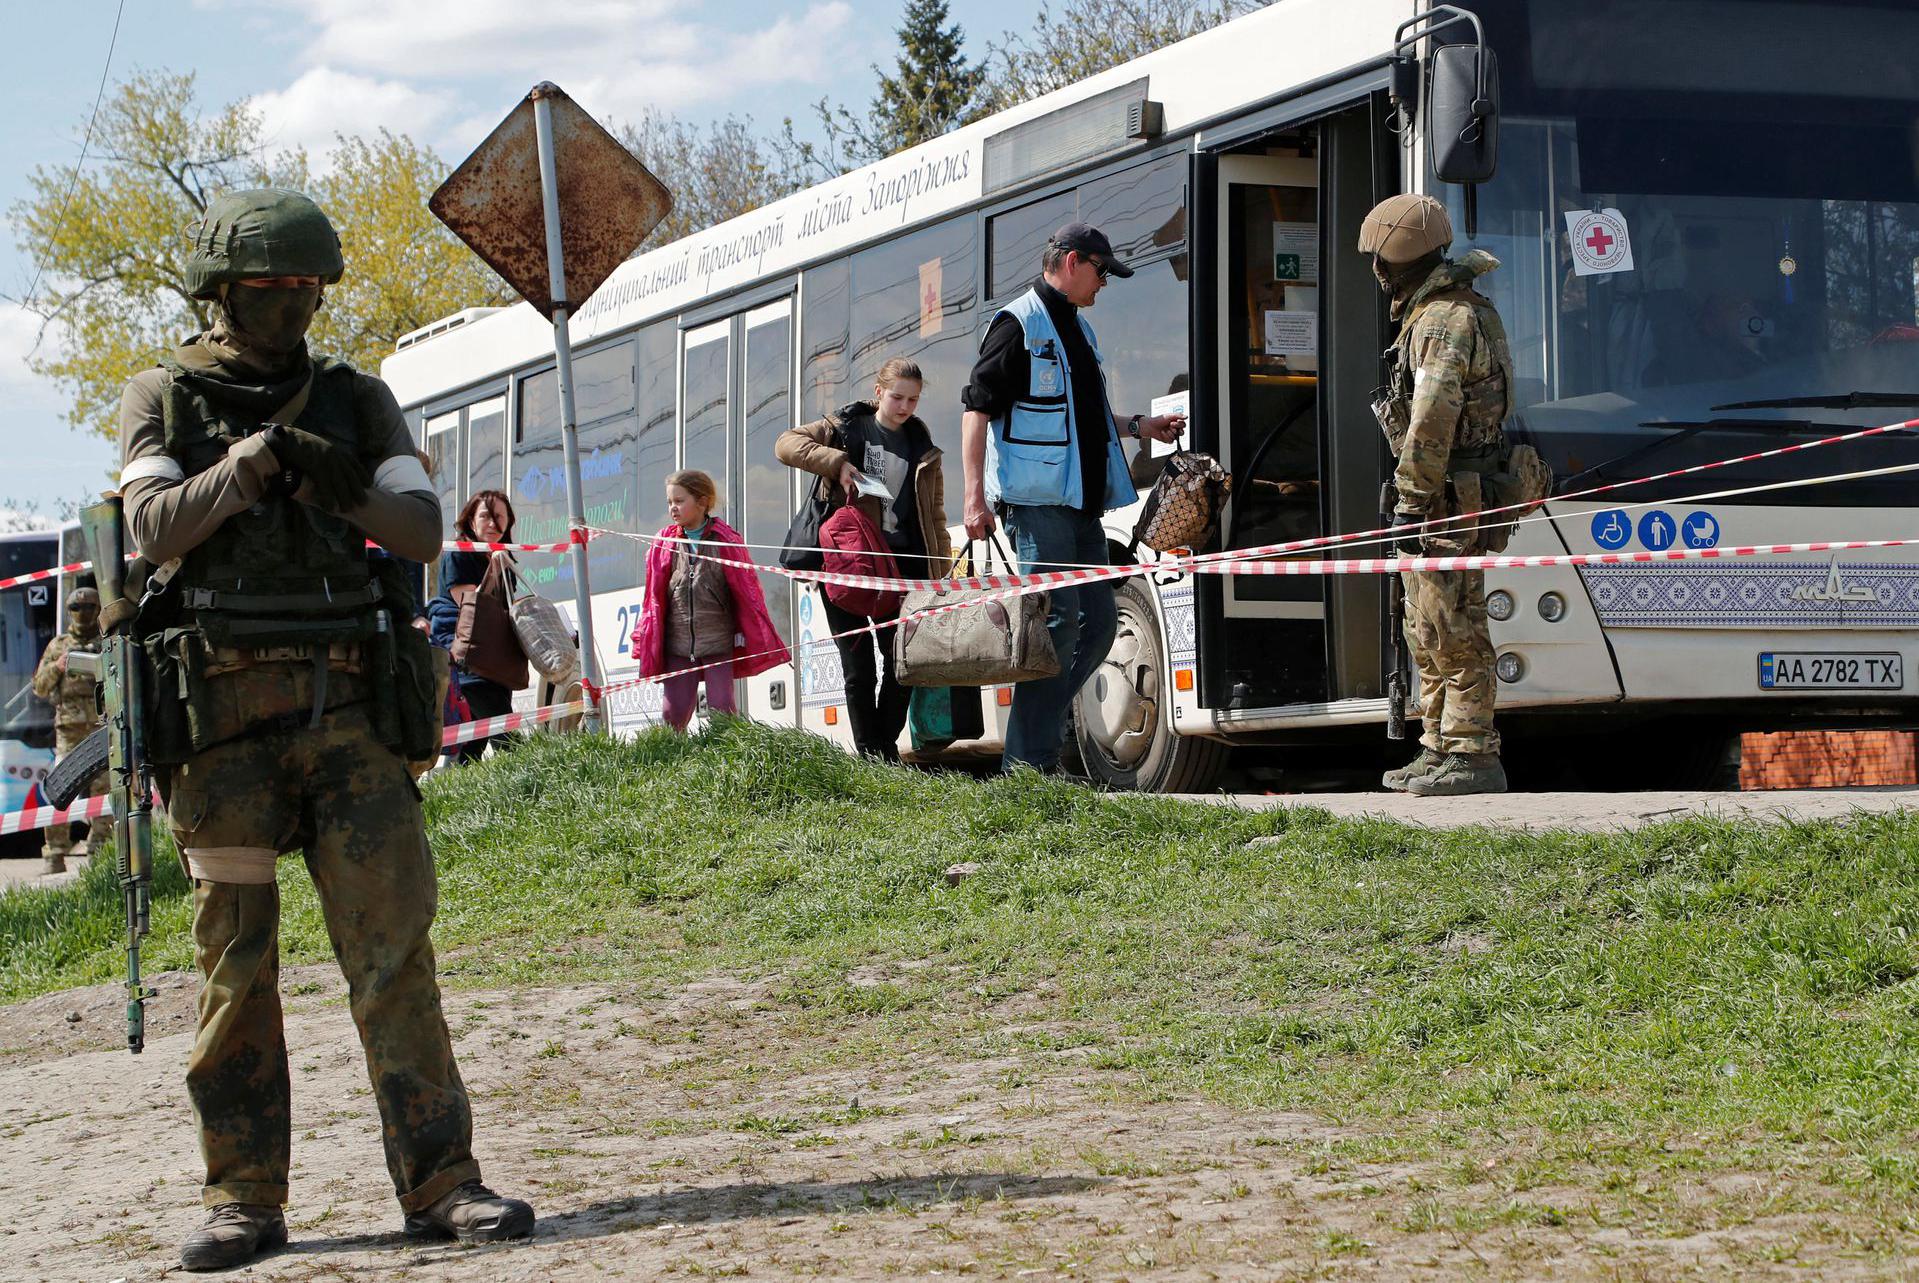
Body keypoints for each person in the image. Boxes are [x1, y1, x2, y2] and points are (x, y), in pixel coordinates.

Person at [114, 188, 532, 1271]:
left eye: (308, 288)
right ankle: (242, 1198)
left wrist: (335, 481)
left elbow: (423, 527)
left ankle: (442, 1181)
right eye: (271, 288)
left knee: (394, 955)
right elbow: (154, 526)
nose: (293, 306)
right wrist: (247, 466)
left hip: (347, 713)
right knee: (234, 970)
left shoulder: (357, 399)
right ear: (221, 289)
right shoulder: (164, 395)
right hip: (220, 725)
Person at [959, 222, 1185, 772]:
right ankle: (1028, 760)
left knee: (1101, 622)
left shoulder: (1079, 333)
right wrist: (973, 498)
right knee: (1058, 621)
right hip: (1034, 505)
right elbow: (976, 409)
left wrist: (1140, 426)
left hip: (1083, 506)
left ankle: (1034, 743)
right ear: (1071, 262)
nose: (1104, 284)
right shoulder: (1017, 324)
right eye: (1102, 271)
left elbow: (1080, 418)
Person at [1360, 193, 1513, 796]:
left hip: (1449, 496)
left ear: (1395, 261)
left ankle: (1474, 755)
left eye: (1379, 259)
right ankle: (1439, 745)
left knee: (1454, 625)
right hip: (1443, 492)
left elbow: (1431, 419)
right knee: (1425, 625)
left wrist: (1409, 499)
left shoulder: (1447, 318)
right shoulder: (1438, 312)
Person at [777, 357, 952, 760]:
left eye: (913, 399)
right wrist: (835, 462)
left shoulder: (921, 443)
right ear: (878, 393)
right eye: (896, 397)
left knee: (903, 663)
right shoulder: (845, 427)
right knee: (858, 669)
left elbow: (935, 514)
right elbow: (785, 444)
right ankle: (872, 756)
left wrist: (939, 574)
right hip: (846, 565)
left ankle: (880, 749)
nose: (904, 406)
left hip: (902, 568)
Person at [630, 470, 788, 731]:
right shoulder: (664, 543)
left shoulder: (726, 540)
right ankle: (672, 763)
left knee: (722, 707)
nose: (673, 508)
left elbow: (747, 594)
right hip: (678, 644)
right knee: (673, 712)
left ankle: (726, 758)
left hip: (717, 642)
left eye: (680, 501)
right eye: (670, 502)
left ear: (702, 502)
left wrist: (745, 632)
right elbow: (653, 600)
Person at [426, 490, 521, 764]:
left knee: (474, 742)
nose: (492, 523)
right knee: (505, 730)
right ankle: (534, 782)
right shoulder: (459, 553)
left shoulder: (504, 556)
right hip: (466, 653)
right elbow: (472, 607)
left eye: (499, 517)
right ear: (470, 520)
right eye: (485, 516)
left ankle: (461, 789)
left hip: (493, 655)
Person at [30, 586, 108, 874]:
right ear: (69, 611)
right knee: (61, 790)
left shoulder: (106, 642)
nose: (83, 613)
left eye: (89, 607)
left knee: (105, 792)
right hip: (69, 731)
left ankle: (100, 851)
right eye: (77, 608)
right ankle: (55, 854)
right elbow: (39, 686)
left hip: (101, 728)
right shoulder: (58, 645)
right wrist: (60, 666)